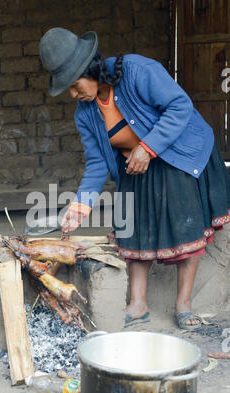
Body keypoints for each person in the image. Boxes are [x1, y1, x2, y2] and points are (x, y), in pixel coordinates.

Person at [39, 28, 230, 330]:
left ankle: (183, 304)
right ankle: (138, 305)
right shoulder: (85, 113)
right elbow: (98, 162)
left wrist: (148, 147)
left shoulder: (138, 72)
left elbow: (179, 107)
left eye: (74, 86)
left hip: (178, 153)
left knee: (185, 225)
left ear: (90, 70)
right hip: (136, 163)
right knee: (131, 226)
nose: (74, 95)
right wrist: (80, 206)